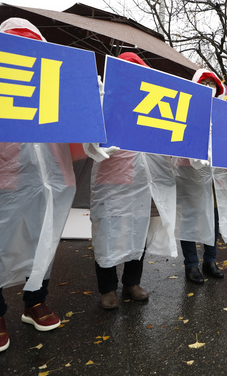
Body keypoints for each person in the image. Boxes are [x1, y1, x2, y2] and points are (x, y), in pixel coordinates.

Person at [0, 18, 75, 354]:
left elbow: (78, 113)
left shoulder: (53, 77)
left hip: (46, 177)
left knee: (42, 239)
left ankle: (35, 300)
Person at [85, 52, 177, 310]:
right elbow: (88, 136)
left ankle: (131, 283)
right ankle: (107, 288)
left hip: (145, 182)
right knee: (107, 233)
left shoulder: (156, 104)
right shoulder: (106, 101)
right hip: (112, 181)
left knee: (139, 231)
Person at [177, 69, 227, 283]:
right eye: (205, 82)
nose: (209, 87)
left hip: (214, 173)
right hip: (189, 171)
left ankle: (210, 260)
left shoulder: (221, 113)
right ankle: (191, 265)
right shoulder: (185, 108)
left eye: (212, 83)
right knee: (190, 217)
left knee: (214, 216)